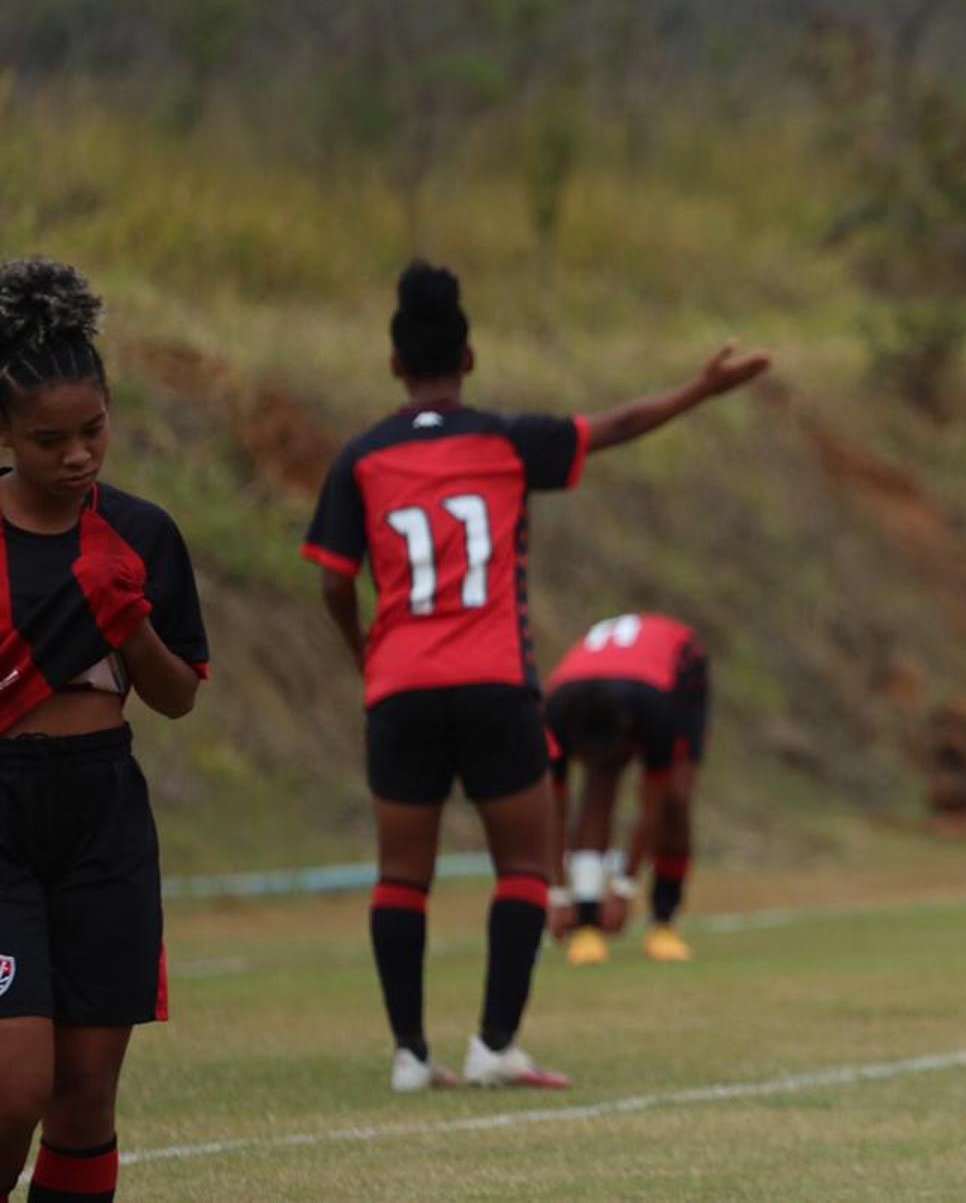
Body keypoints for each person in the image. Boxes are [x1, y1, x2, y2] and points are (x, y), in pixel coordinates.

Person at [303, 261, 767, 1093]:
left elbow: (335, 579)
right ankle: (494, 1045)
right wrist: (699, 389)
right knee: (521, 866)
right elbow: (615, 425)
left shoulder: (361, 458)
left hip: (401, 687)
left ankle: (411, 1055)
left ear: (393, 364)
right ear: (469, 359)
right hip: (493, 684)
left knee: (401, 875)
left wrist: (363, 649)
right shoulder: (506, 442)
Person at [0, 258, 208, 1203]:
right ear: (5, 434)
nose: (79, 456)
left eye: (94, 431)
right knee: (14, 1089)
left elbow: (176, 697)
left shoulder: (143, 534)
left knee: (83, 1100)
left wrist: (130, 626)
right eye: (51, 440)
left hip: (101, 812)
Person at [545, 612, 709, 966]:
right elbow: (551, 813)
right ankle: (587, 923)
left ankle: (663, 921)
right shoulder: (552, 714)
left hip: (678, 669)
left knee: (675, 800)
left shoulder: (654, 711)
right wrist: (558, 894)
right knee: (598, 787)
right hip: (608, 679)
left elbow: (651, 808)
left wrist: (623, 890)